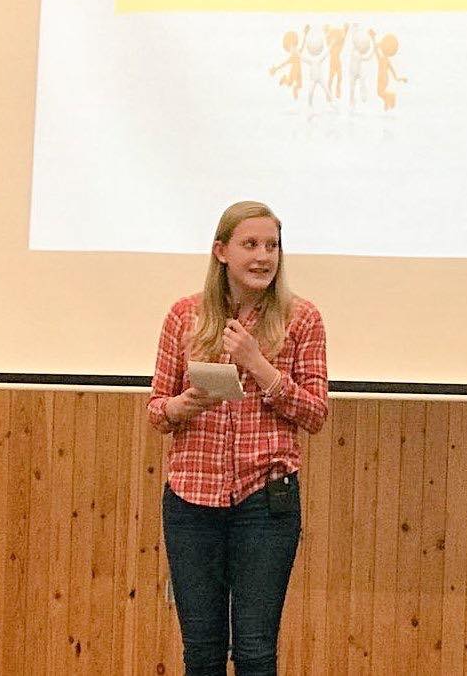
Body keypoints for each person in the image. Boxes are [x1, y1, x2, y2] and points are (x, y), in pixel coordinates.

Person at [147, 201, 328, 675]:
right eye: (250, 244)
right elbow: (156, 409)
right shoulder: (184, 315)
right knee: (202, 651)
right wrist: (181, 406)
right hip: (191, 499)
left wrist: (260, 366)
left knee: (254, 651)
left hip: (266, 501)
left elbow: (315, 413)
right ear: (221, 251)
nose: (264, 256)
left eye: (272, 245)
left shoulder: (301, 318)